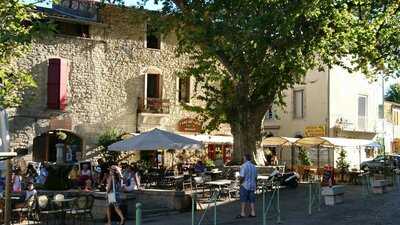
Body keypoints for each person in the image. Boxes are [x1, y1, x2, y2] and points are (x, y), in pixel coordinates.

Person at [237, 154, 257, 218]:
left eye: (243, 158)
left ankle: (242, 213)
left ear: (245, 158)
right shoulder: (254, 166)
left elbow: (242, 176)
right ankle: (253, 212)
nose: (243, 159)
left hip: (245, 185)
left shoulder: (243, 166)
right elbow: (256, 177)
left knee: (243, 199)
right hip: (252, 185)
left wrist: (240, 181)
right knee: (252, 200)